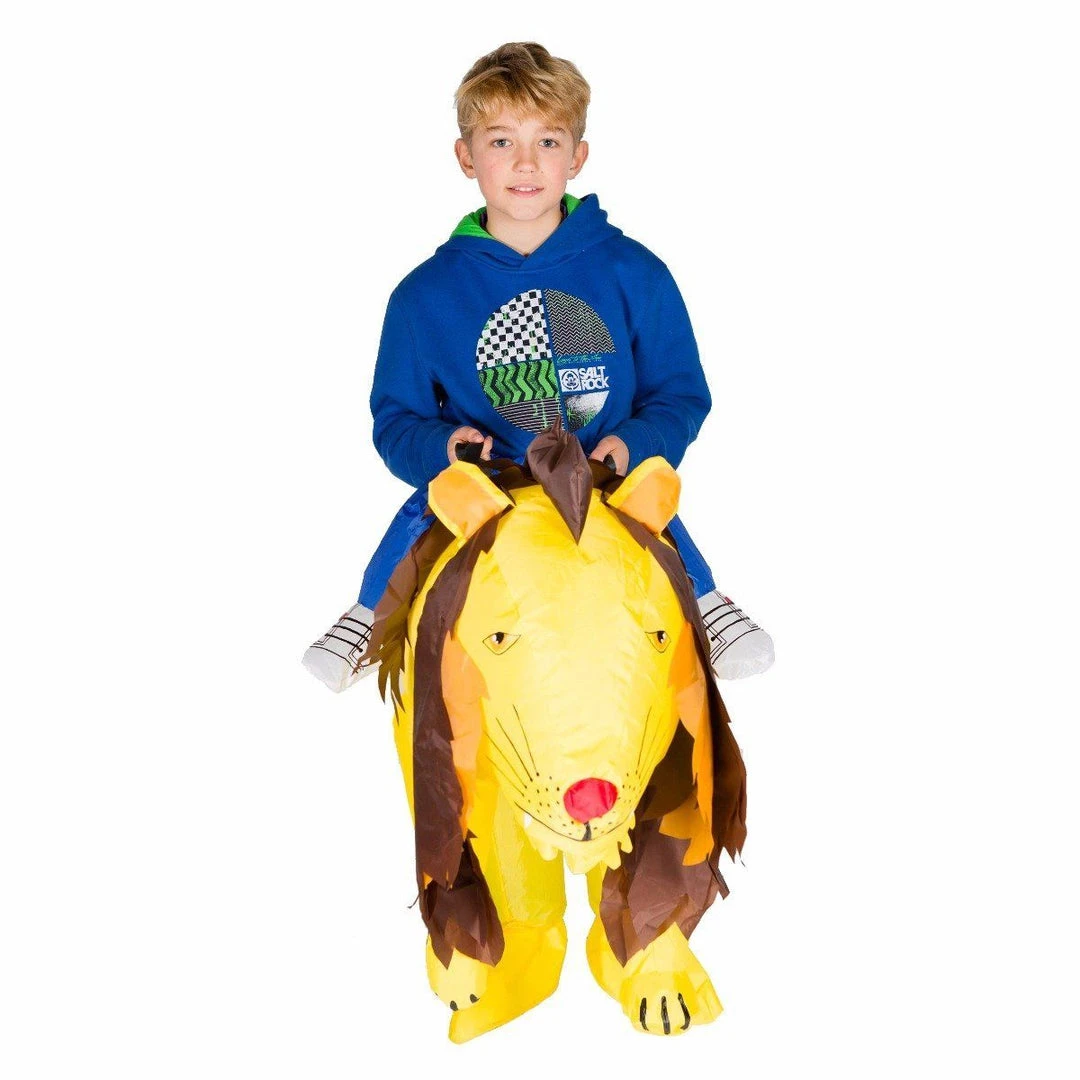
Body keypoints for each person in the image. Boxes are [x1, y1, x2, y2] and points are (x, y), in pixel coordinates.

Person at [303, 41, 774, 691]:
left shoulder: (636, 273)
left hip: (602, 479)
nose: (525, 162)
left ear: (577, 156)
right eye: (501, 141)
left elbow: (680, 394)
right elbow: (396, 420)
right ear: (466, 157)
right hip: (487, 487)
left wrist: (633, 444)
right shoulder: (421, 297)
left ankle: (709, 605)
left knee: (650, 508)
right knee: (425, 509)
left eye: (547, 142)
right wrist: (444, 446)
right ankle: (368, 617)